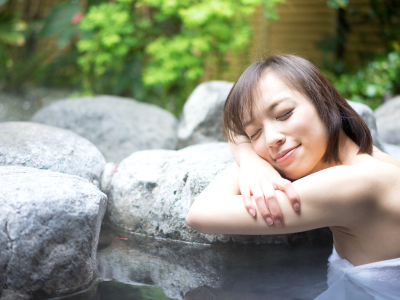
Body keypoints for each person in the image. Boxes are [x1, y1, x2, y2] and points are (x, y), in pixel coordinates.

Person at [186, 54, 400, 299]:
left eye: (284, 114)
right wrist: (250, 159)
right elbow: (235, 132)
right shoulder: (372, 157)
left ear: (324, 101)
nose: (271, 139)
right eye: (255, 133)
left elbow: (200, 214)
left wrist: (249, 162)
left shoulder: (353, 184)